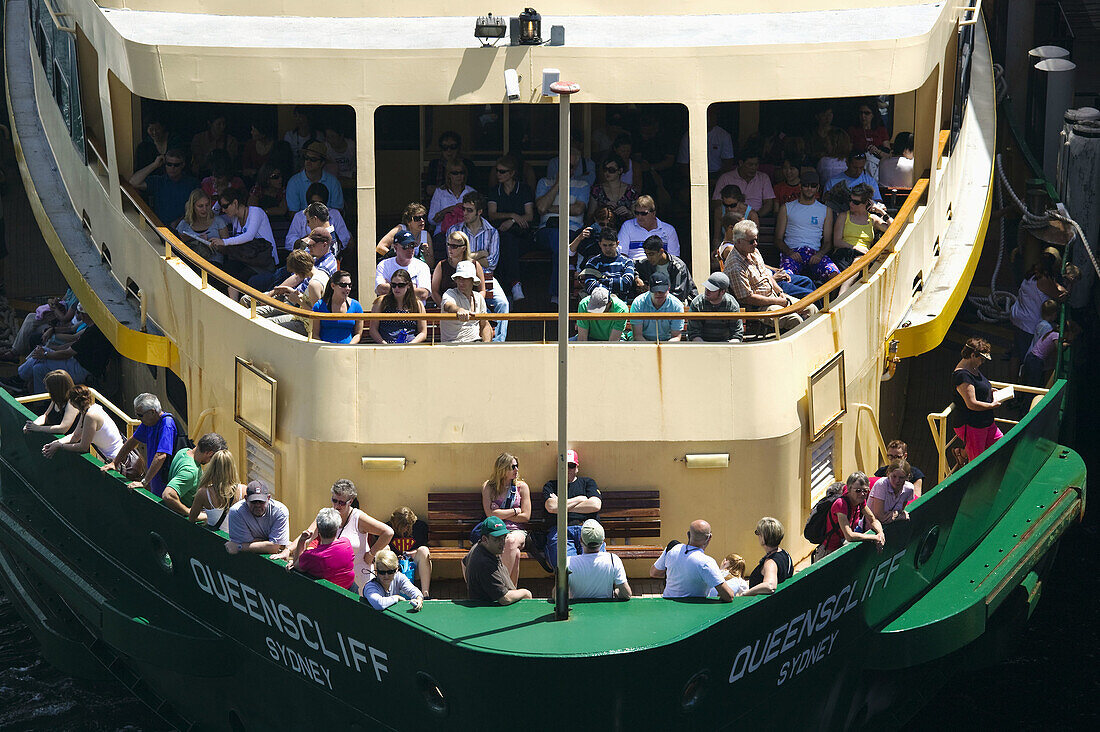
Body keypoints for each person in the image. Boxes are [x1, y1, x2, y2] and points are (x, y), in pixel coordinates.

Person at [725, 219, 818, 332]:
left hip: (774, 296)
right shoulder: (735, 265)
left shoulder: (753, 252)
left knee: (811, 308)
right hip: (759, 307)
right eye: (751, 241)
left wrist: (780, 293)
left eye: (756, 239)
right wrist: (778, 301)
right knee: (794, 319)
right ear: (738, 242)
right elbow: (747, 298)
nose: (755, 243)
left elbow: (767, 275)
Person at [7, 305, 115, 396]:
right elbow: (74, 345)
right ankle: (41, 403)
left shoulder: (92, 332)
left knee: (38, 358)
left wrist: (45, 354)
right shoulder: (93, 328)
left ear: (86, 315)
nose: (80, 316)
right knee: (38, 369)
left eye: (81, 313)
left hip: (82, 370)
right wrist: (51, 350)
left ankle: (19, 380)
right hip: (78, 363)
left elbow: (67, 353)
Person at [447, 193, 509, 340]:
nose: (464, 213)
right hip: (461, 276)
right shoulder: (454, 230)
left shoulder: (492, 231)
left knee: (503, 304)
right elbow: (453, 258)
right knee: (481, 308)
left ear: (479, 212)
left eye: (469, 210)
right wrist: (480, 254)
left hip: (486, 276)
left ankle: (498, 343)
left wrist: (467, 256)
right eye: (464, 209)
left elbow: (492, 262)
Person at [535, 144, 591, 301]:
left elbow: (578, 210)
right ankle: (562, 287)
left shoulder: (583, 184)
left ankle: (557, 294)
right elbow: (540, 208)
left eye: (572, 167)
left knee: (563, 241)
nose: (569, 170)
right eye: (565, 166)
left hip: (573, 231)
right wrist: (559, 183)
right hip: (547, 231)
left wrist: (550, 208)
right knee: (559, 238)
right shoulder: (544, 182)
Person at [100, 393, 178, 497]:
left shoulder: (166, 425)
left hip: (166, 481)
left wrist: (144, 482)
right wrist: (115, 463)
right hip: (155, 480)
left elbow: (161, 456)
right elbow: (133, 441)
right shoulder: (148, 423)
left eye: (140, 415)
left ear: (152, 412)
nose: (137, 418)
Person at [40, 385, 133, 470]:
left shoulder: (90, 416)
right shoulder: (89, 410)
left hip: (118, 463)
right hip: (114, 458)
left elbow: (83, 447)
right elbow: (75, 436)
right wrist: (55, 443)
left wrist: (59, 446)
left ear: (72, 402)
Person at [776, 170, 841, 282]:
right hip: (792, 252)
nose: (809, 188)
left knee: (835, 275)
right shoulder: (786, 208)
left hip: (814, 253)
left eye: (813, 185)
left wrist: (819, 255)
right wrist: (790, 252)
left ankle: (829, 300)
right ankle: (790, 300)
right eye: (806, 185)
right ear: (800, 187)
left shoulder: (826, 210)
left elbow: (827, 242)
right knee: (784, 276)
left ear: (818, 188)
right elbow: (778, 239)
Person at [1009, 250, 1067, 376]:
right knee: (1026, 358)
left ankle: (1012, 385)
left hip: (1018, 317)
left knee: (1016, 354)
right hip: (1029, 324)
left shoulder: (1031, 273)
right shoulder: (1044, 280)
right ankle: (1024, 387)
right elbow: (1060, 295)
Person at [486, 154, 535, 302]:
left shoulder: (524, 189)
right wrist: (513, 215)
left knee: (508, 245)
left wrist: (512, 221)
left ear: (512, 173)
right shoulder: (495, 191)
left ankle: (506, 292)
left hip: (523, 236)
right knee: (507, 243)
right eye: (497, 171)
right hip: (501, 236)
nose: (498, 174)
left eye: (502, 171)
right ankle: (515, 285)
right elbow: (492, 214)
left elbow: (530, 216)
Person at [210, 188, 278, 292]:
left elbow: (249, 236)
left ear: (235, 203)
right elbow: (212, 216)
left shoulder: (256, 212)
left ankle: (235, 303)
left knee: (239, 278)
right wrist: (219, 200)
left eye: (225, 206)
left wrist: (224, 242)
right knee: (225, 272)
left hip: (264, 262)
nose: (223, 210)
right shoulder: (234, 217)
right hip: (245, 260)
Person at [649, 520, 735, 601]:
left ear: (688, 534)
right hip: (693, 612)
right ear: (709, 538)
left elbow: (654, 573)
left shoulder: (672, 548)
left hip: (668, 607)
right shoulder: (707, 562)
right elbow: (728, 596)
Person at [482, 452, 533, 585]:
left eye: (517, 466)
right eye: (512, 467)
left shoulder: (521, 487)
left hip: (517, 531)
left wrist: (499, 513)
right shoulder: (489, 487)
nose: (516, 470)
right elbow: (490, 515)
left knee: (510, 541)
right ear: (502, 469)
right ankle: (511, 590)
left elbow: (526, 516)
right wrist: (515, 511)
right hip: (495, 531)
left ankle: (500, 584)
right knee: (514, 553)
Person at [253, 248, 329, 336]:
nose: (296, 275)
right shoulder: (322, 274)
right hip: (301, 318)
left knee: (267, 324)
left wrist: (298, 300)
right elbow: (313, 302)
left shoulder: (314, 284)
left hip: (305, 325)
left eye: (295, 272)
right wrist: (291, 291)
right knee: (266, 321)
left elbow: (316, 314)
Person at [543, 449, 602, 560]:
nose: (568, 469)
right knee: (567, 566)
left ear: (577, 468)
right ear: (558, 467)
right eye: (564, 465)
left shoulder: (588, 482)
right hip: (560, 530)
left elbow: (595, 505)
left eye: (571, 466)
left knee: (596, 563)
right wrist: (580, 499)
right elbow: (551, 507)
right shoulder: (551, 485)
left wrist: (561, 506)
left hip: (586, 528)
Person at [951, 337, 1004, 461]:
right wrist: (992, 406)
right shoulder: (962, 375)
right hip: (972, 425)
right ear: (973, 355)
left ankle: (962, 453)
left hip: (985, 422)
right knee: (977, 460)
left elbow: (978, 386)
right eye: (982, 359)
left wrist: (989, 391)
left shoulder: (973, 368)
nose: (983, 362)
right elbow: (972, 404)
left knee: (1002, 444)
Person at [814, 472, 886, 561]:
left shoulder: (860, 501)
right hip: (828, 553)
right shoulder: (841, 505)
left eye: (865, 491)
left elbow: (872, 520)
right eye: (858, 491)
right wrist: (874, 537)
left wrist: (880, 533)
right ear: (849, 488)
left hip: (842, 548)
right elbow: (849, 536)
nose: (862, 494)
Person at [462, 516, 533, 605]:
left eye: (504, 537)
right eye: (497, 539)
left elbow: (463, 562)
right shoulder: (485, 563)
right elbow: (505, 599)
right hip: (491, 611)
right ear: (485, 539)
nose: (502, 542)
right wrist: (526, 592)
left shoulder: (480, 547)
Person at [160, 432, 228, 517]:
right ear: (209, 453)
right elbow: (168, 495)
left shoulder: (184, 451)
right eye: (213, 459)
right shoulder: (191, 471)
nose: (211, 462)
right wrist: (188, 512)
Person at [560, 519, 631, 601]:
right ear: (603, 541)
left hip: (579, 612)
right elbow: (627, 594)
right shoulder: (613, 560)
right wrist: (617, 592)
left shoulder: (568, 562)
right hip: (606, 612)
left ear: (580, 540)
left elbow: (557, 596)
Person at [287, 507, 356, 590]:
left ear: (318, 529)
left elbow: (296, 565)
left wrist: (302, 541)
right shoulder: (346, 544)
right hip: (350, 591)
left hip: (327, 596)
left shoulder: (311, 556)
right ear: (337, 527)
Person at [830, 183, 892, 271]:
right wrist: (855, 247)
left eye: (856, 202)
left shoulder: (872, 219)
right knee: (858, 263)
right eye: (850, 200)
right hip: (844, 253)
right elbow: (837, 241)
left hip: (863, 256)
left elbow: (894, 229)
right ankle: (846, 284)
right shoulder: (843, 216)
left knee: (859, 261)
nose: (851, 204)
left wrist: (881, 211)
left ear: (866, 203)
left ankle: (845, 284)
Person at [129, 148, 198, 225]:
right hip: (160, 228)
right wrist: (155, 165)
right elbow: (133, 182)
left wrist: (181, 221)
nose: (172, 168)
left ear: (183, 165)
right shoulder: (158, 181)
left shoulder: (192, 183)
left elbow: (197, 208)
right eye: (169, 164)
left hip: (185, 227)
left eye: (176, 165)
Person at [225, 481, 290, 556]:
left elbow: (274, 548)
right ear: (246, 499)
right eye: (254, 501)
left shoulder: (280, 511)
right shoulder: (237, 511)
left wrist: (239, 547)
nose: (258, 505)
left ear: (268, 498)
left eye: (261, 501)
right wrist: (268, 543)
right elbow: (274, 546)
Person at [188, 449, 244, 531]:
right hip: (236, 541)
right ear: (232, 467)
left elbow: (192, 518)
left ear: (212, 468)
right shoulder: (244, 490)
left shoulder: (203, 493)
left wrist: (207, 516)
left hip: (214, 541)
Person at [711, 147, 776, 217]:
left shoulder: (763, 178)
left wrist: (755, 216)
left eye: (756, 164)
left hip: (756, 219)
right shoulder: (725, 178)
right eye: (750, 164)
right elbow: (717, 202)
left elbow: (768, 203)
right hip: (730, 218)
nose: (754, 168)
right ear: (741, 163)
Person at [431, 230, 488, 307]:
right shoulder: (441, 265)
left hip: (471, 307)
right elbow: (434, 291)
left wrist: (476, 305)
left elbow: (482, 290)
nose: (450, 249)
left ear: (464, 248)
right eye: (448, 245)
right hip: (448, 308)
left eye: (454, 246)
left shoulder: (474, 265)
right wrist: (444, 307)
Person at [285, 197, 353, 262]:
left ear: (315, 219)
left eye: (308, 221)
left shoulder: (320, 241)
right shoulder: (333, 235)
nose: (308, 225)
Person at [369, 269, 427, 344]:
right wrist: (385, 344)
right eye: (393, 285)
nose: (396, 288)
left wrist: (410, 344)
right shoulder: (381, 302)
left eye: (401, 285)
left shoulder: (417, 304)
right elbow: (373, 330)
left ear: (409, 285)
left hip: (410, 346)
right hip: (386, 346)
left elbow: (423, 332)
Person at [634, 235, 697, 303]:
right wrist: (637, 278)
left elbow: (678, 295)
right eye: (646, 254)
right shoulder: (646, 263)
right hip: (655, 304)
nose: (649, 258)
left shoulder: (678, 267)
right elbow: (631, 265)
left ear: (661, 251)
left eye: (651, 254)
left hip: (682, 304)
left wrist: (652, 293)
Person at [440, 260, 491, 343]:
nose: (461, 282)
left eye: (465, 279)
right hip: (451, 345)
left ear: (472, 280)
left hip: (475, 345)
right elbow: (448, 305)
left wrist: (486, 346)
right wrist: (459, 310)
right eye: (459, 278)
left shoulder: (479, 297)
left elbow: (484, 325)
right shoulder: (450, 293)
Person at [742, 516, 794, 596]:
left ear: (763, 537)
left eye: (758, 533)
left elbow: (770, 586)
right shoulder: (784, 554)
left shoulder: (770, 563)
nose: (757, 536)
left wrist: (744, 594)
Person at [617, 195, 680, 261]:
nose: (639, 216)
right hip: (634, 267)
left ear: (653, 213)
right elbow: (621, 253)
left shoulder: (669, 230)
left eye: (643, 213)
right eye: (637, 213)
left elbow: (674, 258)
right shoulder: (627, 226)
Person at [286, 140, 344, 212]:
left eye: (313, 159)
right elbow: (293, 213)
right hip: (302, 222)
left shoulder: (333, 182)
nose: (308, 162)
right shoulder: (294, 182)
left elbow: (337, 212)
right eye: (306, 158)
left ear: (322, 163)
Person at [676, 107, 735, 177]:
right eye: (708, 114)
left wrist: (719, 180)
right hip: (695, 175)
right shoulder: (688, 136)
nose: (710, 117)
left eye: (713, 114)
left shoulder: (724, 135)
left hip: (717, 174)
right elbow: (683, 163)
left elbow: (728, 162)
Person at [387, 507, 432, 597]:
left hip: (412, 562)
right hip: (394, 563)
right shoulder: (388, 528)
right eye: (400, 527)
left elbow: (428, 545)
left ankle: (425, 594)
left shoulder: (420, 527)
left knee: (424, 550)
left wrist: (413, 552)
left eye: (407, 526)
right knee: (384, 548)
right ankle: (386, 592)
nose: (404, 529)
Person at [375, 231, 432, 302]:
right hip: (390, 310)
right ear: (395, 247)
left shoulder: (422, 266)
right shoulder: (384, 265)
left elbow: (423, 294)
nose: (410, 250)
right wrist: (412, 288)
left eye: (412, 246)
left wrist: (392, 287)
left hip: (414, 311)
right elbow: (381, 289)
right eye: (405, 246)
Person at [580, 228, 635, 301]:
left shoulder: (627, 262)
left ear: (617, 244)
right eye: (604, 245)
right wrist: (611, 293)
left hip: (621, 305)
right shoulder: (592, 262)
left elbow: (626, 283)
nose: (608, 249)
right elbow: (590, 285)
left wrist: (602, 281)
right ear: (599, 244)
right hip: (598, 304)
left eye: (611, 245)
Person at [687, 272, 743, 343]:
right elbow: (693, 334)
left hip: (725, 345)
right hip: (702, 345)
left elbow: (737, 334)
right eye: (706, 287)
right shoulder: (697, 304)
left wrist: (728, 347)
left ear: (722, 291)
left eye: (712, 289)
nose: (707, 291)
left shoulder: (732, 305)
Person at [311, 271, 364, 344]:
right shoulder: (319, 306)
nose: (347, 288)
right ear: (333, 286)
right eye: (343, 285)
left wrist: (349, 346)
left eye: (349, 285)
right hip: (325, 349)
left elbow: (358, 334)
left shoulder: (356, 306)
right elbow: (315, 334)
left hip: (348, 350)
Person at [630, 272, 685, 342]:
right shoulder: (638, 303)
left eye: (662, 290)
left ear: (668, 288)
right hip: (642, 343)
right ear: (649, 288)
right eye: (655, 290)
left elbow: (676, 337)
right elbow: (637, 336)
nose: (658, 293)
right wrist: (650, 349)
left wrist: (664, 348)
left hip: (667, 343)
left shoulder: (677, 305)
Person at [376, 202, 433, 269]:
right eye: (417, 218)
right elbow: (380, 247)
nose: (422, 220)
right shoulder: (400, 229)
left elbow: (431, 265)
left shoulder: (426, 235)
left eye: (423, 217)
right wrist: (399, 258)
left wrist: (426, 253)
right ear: (408, 221)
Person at [588, 153, 637, 229]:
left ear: (620, 171)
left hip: (626, 231)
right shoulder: (597, 190)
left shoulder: (631, 190)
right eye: (605, 169)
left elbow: (638, 217)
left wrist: (628, 212)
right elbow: (590, 216)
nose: (607, 173)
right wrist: (603, 209)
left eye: (611, 170)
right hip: (603, 231)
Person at [176, 190, 228, 261]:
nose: (204, 209)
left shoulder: (218, 222)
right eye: (200, 206)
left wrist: (216, 245)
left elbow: (227, 250)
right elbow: (176, 249)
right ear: (193, 207)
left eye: (207, 205)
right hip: (191, 263)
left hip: (214, 265)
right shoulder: (184, 224)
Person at [428, 162, 475, 240]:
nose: (459, 176)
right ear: (449, 175)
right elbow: (431, 220)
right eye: (455, 173)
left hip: (466, 235)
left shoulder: (471, 192)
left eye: (461, 173)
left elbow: (476, 218)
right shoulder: (440, 192)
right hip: (443, 233)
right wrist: (449, 210)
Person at [22, 369, 77, 436]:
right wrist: (32, 425)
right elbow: (45, 416)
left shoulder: (72, 402)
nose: (46, 388)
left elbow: (63, 428)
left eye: (48, 387)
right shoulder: (56, 399)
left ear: (56, 389)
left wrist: (38, 428)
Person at [424, 131, 475, 201]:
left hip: (463, 201)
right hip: (439, 200)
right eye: (445, 147)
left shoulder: (467, 164)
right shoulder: (434, 164)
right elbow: (429, 189)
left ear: (458, 148)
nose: (449, 150)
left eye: (453, 147)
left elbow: (472, 190)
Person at [1022, 300, 1060, 387]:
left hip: (1030, 356)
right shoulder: (1047, 328)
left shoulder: (1041, 322)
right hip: (1036, 360)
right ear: (1054, 314)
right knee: (1033, 385)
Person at [868, 458, 915, 525]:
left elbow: (901, 510)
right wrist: (898, 515)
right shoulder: (881, 485)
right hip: (869, 529)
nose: (897, 481)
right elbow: (880, 517)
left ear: (907, 477)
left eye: (901, 477)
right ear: (888, 474)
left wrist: (894, 515)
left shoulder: (909, 489)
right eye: (894, 476)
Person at [322, 123, 356, 190]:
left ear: (341, 136)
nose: (330, 140)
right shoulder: (326, 148)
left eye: (333, 137)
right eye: (328, 137)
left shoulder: (352, 146)